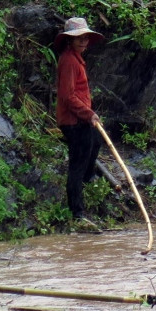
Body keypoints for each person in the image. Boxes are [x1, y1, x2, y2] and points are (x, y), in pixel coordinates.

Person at [54, 17, 106, 232]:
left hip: (81, 119)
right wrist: (88, 113)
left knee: (96, 143)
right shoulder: (68, 61)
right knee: (77, 165)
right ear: (70, 41)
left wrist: (88, 115)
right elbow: (68, 96)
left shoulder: (76, 60)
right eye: (78, 38)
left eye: (85, 38)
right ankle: (77, 213)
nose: (83, 41)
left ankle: (86, 180)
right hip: (74, 121)